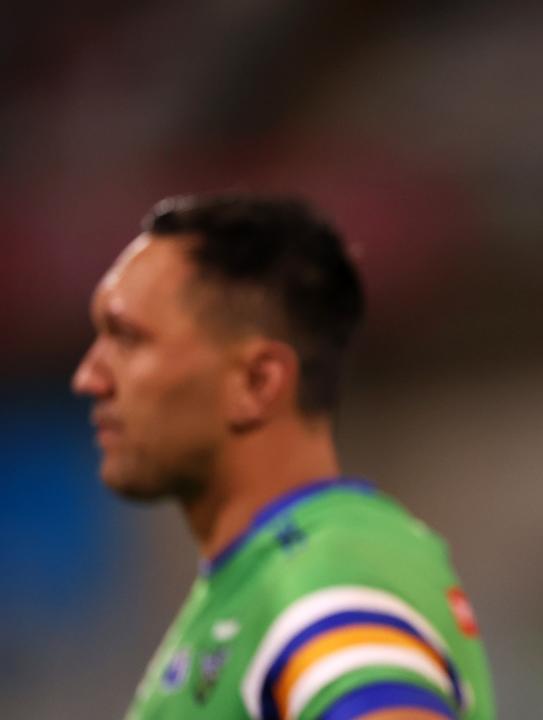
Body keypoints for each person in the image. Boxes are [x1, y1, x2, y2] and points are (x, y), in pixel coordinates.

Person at [72, 195, 495, 720]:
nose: (88, 377)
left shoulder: (324, 572)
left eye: (127, 338)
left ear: (257, 382)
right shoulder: (257, 579)